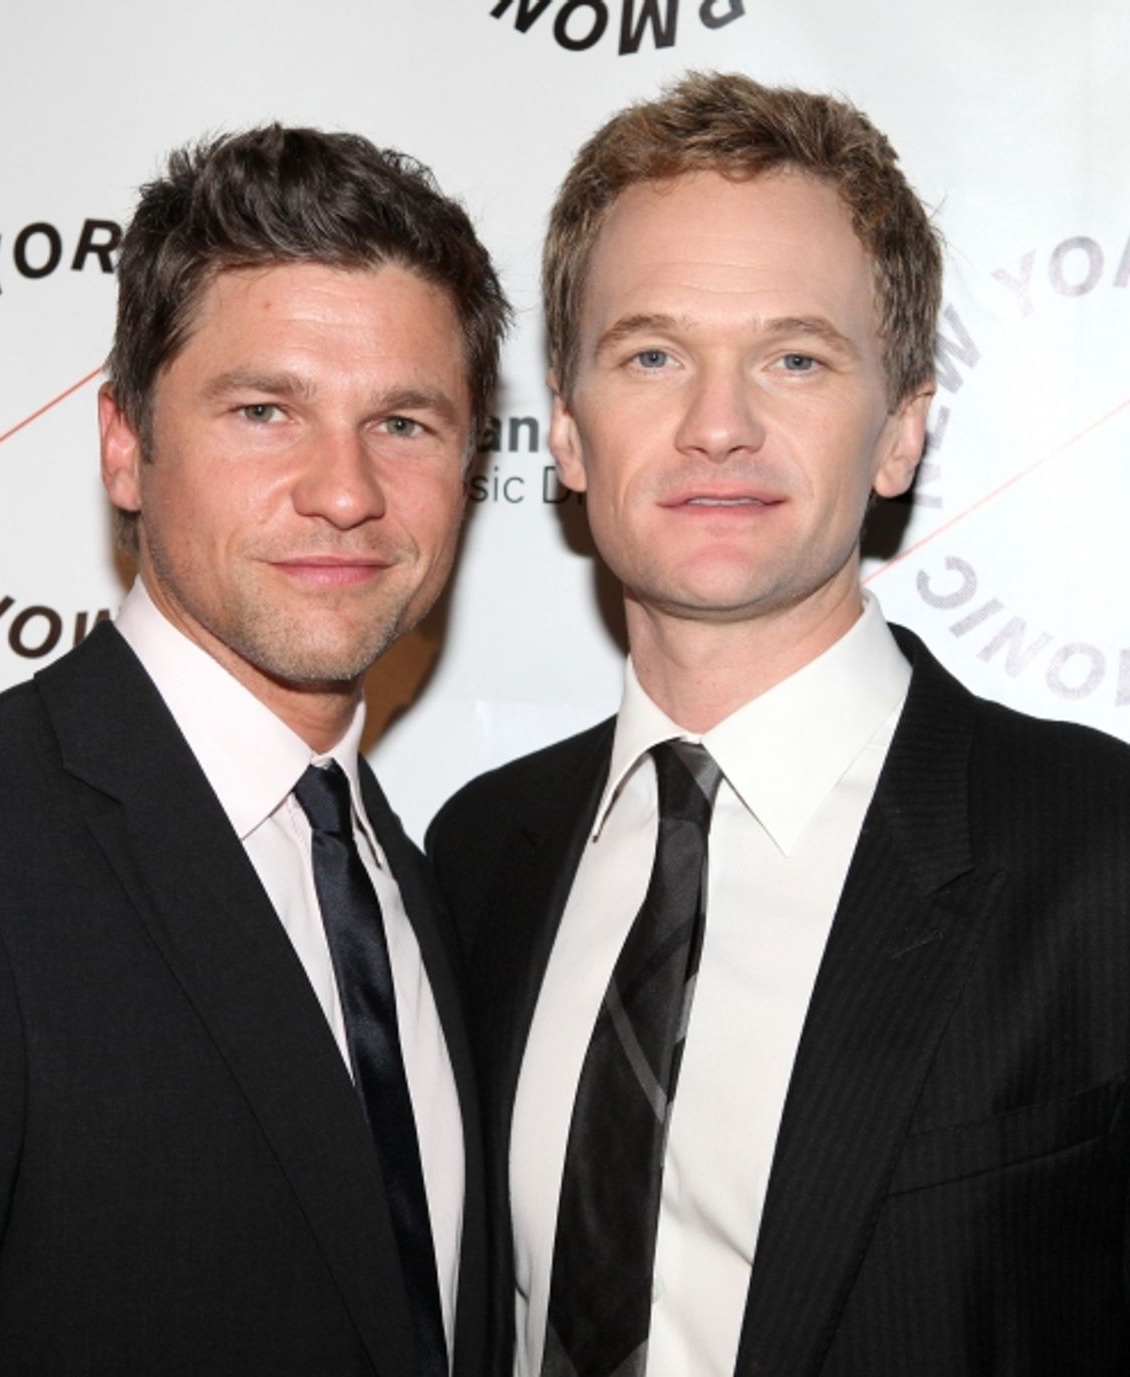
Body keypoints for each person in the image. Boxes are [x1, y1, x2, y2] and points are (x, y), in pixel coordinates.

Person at [428, 72, 1130, 1375]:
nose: (717, 424)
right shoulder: (475, 859)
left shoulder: (1098, 853)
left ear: (903, 431)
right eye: (652, 355)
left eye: (795, 357)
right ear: (568, 435)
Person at [0, 125, 509, 1377]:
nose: (345, 491)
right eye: (264, 411)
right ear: (125, 447)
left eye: (404, 423)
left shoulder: (413, 877)